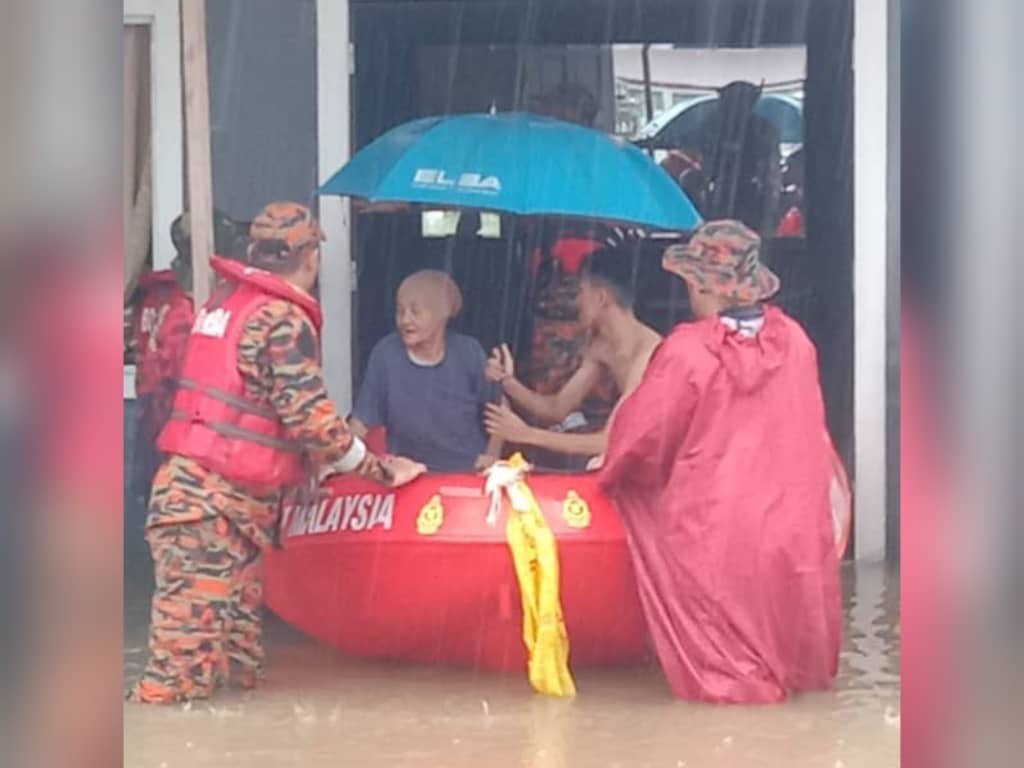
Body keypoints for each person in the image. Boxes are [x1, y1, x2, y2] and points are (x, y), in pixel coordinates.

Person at [129, 202, 425, 704]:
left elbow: (261, 406)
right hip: (206, 512)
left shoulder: (228, 303)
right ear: (309, 256)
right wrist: (380, 471)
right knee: (176, 681)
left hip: (228, 515)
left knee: (241, 670)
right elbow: (314, 423)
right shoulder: (280, 319)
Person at [598, 220, 842, 703]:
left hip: (715, 538)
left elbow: (641, 438)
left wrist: (612, 474)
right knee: (789, 676)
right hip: (793, 537)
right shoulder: (796, 342)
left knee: (729, 692)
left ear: (698, 283)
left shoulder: (688, 351)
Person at [483, 247, 662, 464]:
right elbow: (557, 409)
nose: (575, 301)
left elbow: (610, 441)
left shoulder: (648, 354)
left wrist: (527, 434)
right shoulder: (602, 346)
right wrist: (507, 382)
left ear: (601, 298)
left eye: (580, 291)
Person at [130, 209, 242, 498]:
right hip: (182, 438)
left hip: (154, 428)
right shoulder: (189, 305)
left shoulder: (155, 294)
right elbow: (186, 373)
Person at [350, 269, 502, 472]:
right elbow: (362, 420)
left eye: (415, 311)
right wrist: (338, 460)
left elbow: (500, 410)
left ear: (443, 314)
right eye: (400, 311)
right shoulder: (386, 354)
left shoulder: (468, 352)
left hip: (467, 473)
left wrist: (491, 459)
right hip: (409, 474)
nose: (405, 320)